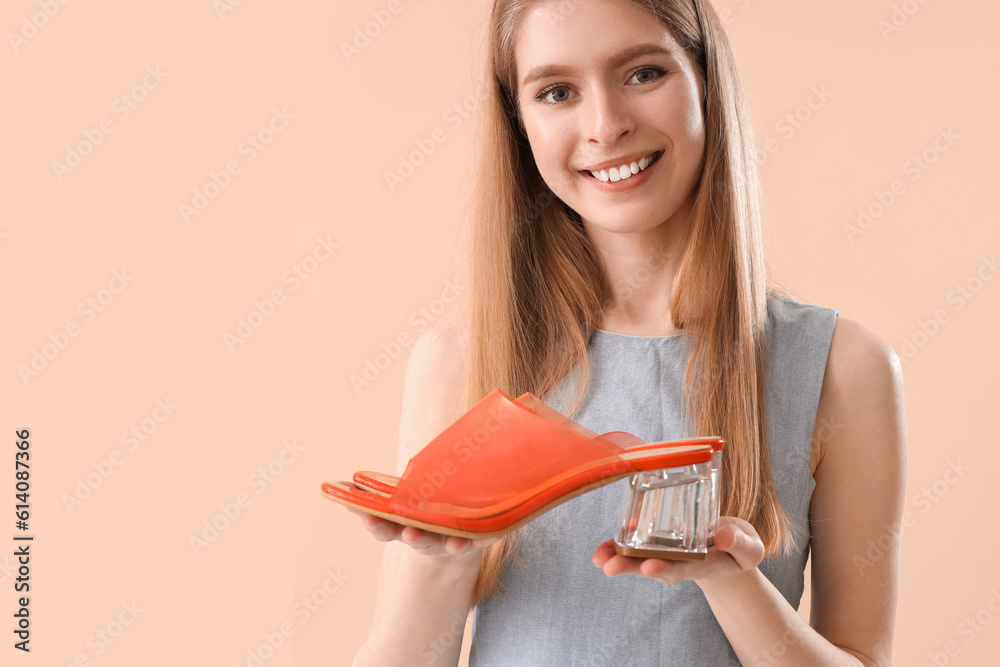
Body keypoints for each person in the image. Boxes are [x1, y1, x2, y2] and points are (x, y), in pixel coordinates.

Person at [346, 0, 906, 665]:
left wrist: (731, 580)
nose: (606, 126)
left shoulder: (841, 367)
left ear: (705, 80)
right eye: (556, 92)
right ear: (519, 123)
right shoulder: (458, 364)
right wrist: (443, 560)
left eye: (643, 73)